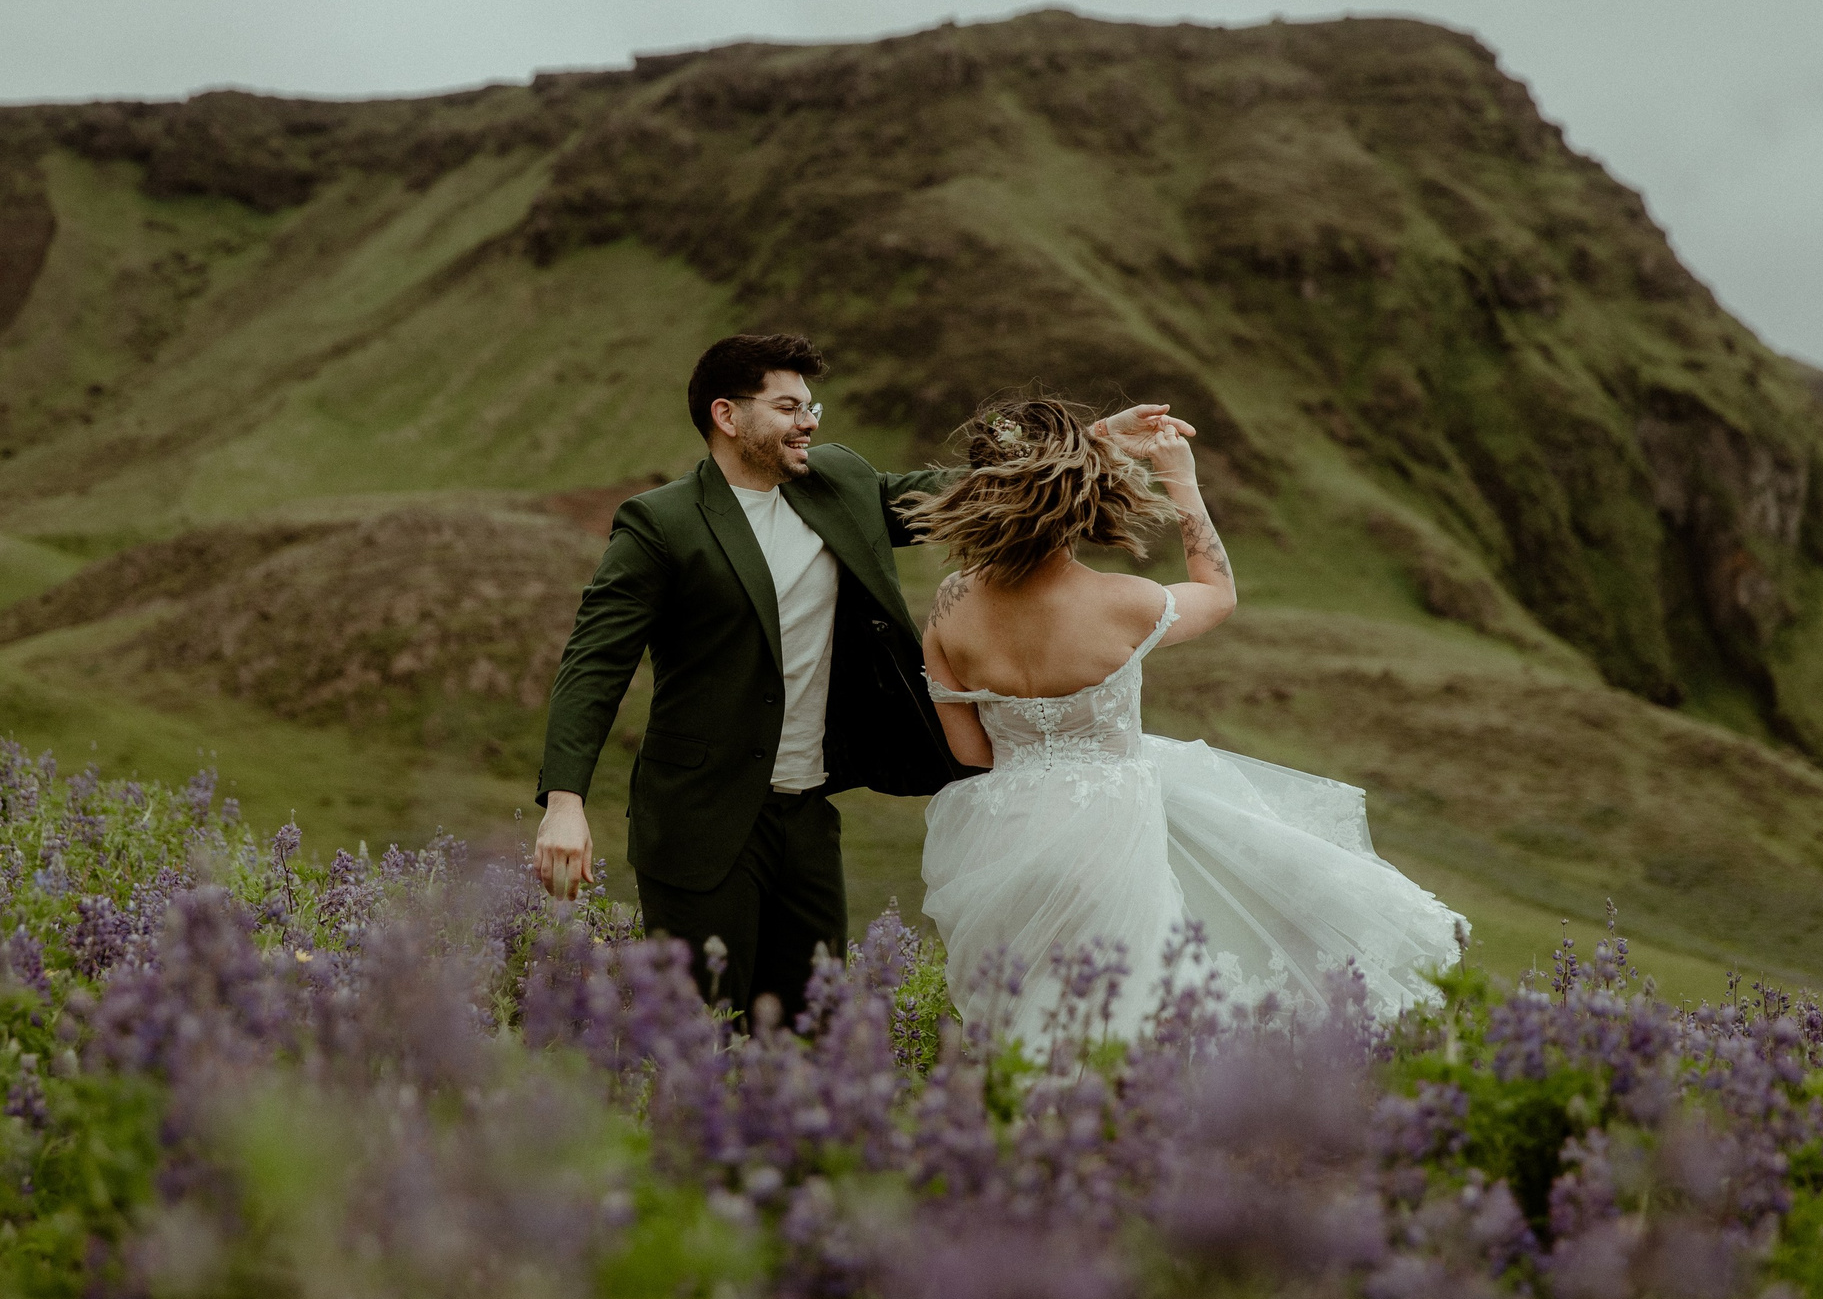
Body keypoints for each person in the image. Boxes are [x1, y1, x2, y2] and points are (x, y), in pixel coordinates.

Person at [532, 335, 1183, 1023]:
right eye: (788, 406)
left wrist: (1091, 439)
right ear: (728, 416)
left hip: (808, 813)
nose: (809, 420)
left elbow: (959, 490)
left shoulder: (836, 481)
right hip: (700, 820)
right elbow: (594, 662)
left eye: (811, 405)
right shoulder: (659, 523)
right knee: (700, 1030)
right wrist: (565, 802)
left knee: (815, 1028)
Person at [909, 398, 1465, 1046]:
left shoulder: (948, 611)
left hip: (1007, 835)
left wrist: (1091, 443)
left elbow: (972, 751)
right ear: (1080, 498)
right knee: (1135, 1008)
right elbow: (1219, 591)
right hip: (1116, 826)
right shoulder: (1124, 603)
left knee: (1035, 1016)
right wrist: (1182, 478)